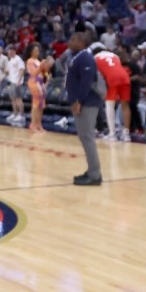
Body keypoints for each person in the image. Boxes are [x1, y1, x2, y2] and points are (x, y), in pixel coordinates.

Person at [65, 32, 103, 186]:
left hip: (87, 102)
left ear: (81, 42)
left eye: (73, 39)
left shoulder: (85, 57)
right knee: (85, 137)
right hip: (83, 102)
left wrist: (78, 100)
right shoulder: (79, 56)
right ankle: (92, 170)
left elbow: (87, 81)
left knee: (87, 138)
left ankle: (95, 174)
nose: (70, 41)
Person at [92, 43, 132, 142]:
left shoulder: (94, 58)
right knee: (125, 105)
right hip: (124, 77)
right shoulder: (115, 56)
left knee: (109, 105)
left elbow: (97, 76)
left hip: (111, 78)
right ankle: (126, 134)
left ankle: (112, 134)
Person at [25, 43, 48, 132]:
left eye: (38, 51)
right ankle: (33, 124)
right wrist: (42, 66)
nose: (37, 52)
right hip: (34, 82)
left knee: (42, 104)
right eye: (35, 51)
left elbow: (44, 72)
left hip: (41, 82)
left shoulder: (38, 61)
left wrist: (46, 68)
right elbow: (33, 73)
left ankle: (39, 124)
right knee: (36, 104)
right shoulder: (30, 61)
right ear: (31, 52)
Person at [4, 45, 26, 125]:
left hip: (16, 82)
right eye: (8, 51)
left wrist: (19, 81)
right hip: (11, 81)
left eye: (10, 51)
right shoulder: (10, 60)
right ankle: (15, 113)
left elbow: (22, 70)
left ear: (13, 51)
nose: (8, 53)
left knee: (18, 99)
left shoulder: (18, 59)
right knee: (13, 99)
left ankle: (21, 115)